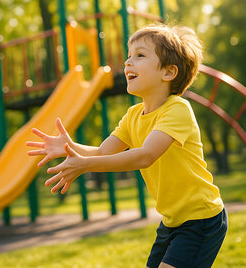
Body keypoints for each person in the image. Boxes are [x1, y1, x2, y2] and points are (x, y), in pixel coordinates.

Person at [27, 25, 227, 268]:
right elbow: (102, 152)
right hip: (172, 221)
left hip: (201, 218)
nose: (128, 62)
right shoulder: (134, 115)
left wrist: (85, 165)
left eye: (140, 55)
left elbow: (145, 156)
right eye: (129, 55)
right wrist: (71, 147)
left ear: (168, 72)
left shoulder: (177, 110)